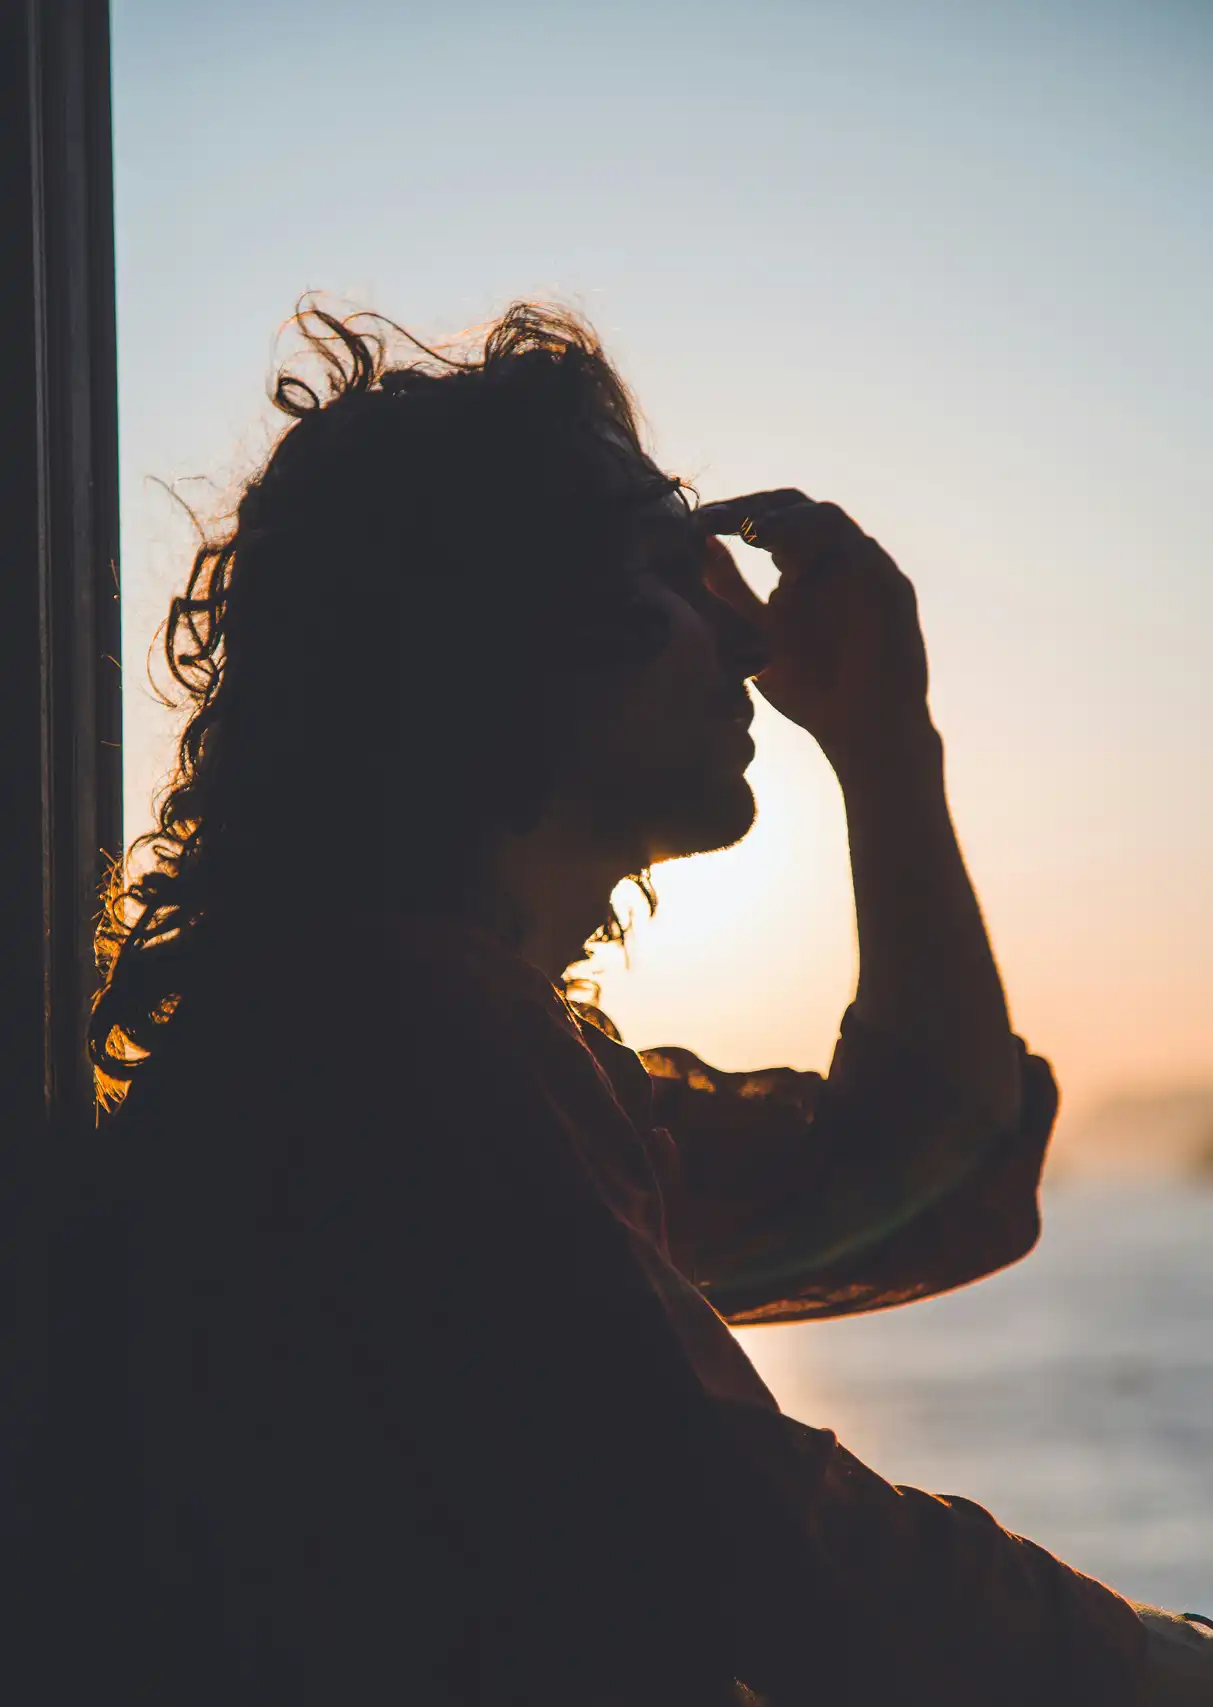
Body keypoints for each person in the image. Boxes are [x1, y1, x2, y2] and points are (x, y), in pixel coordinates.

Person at [90, 302, 1211, 1704]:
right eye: (669, 562)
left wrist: (885, 748)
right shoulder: (384, 1048)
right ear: (504, 621)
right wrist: (1168, 1662)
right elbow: (763, 1556)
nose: (742, 633)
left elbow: (934, 1179)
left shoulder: (439, 1033)